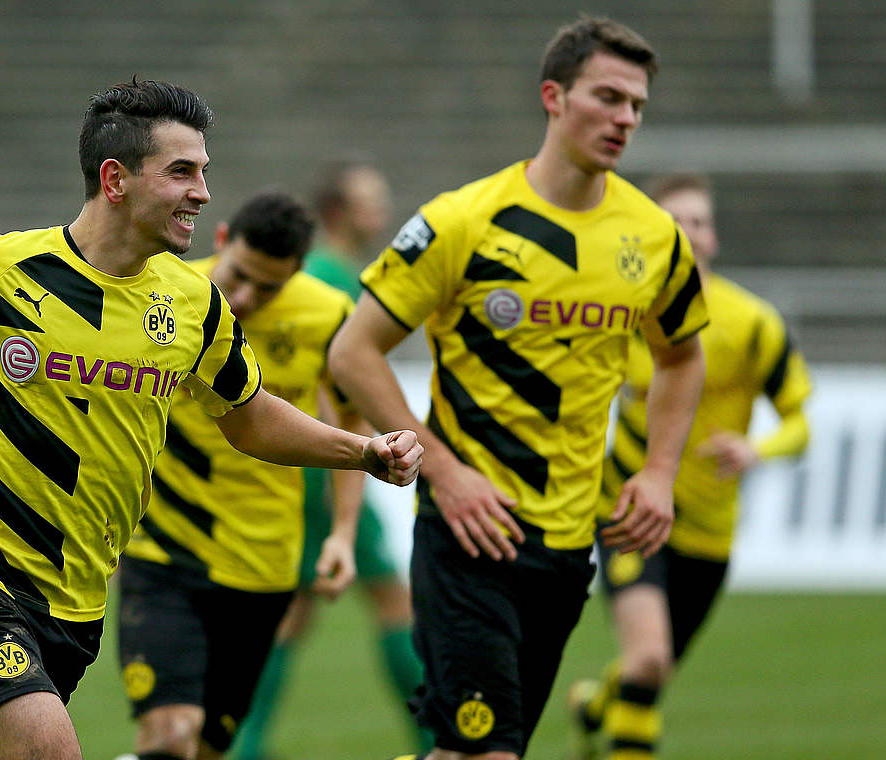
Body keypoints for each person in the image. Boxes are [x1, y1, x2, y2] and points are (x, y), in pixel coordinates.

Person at [0, 78, 423, 760]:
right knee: (47, 748)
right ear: (115, 179)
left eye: (205, 172)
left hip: (76, 602)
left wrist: (360, 452)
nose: (202, 193)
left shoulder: (194, 302)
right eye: (182, 172)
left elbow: (248, 417)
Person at [327, 16, 710, 760]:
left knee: (476, 750)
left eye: (637, 105)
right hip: (466, 534)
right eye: (608, 97)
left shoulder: (654, 237)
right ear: (554, 97)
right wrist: (444, 472)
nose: (625, 118)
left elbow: (681, 356)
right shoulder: (462, 221)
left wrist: (660, 470)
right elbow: (353, 352)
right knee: (486, 753)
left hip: (566, 542)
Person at [564, 173, 813, 760]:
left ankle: (593, 705)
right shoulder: (618, 314)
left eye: (699, 221)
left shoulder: (753, 323)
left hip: (709, 527)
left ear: (714, 237)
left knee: (651, 671)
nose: (689, 232)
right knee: (649, 659)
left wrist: (759, 450)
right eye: (675, 220)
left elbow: (801, 423)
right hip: (626, 507)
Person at [114, 189, 364, 760]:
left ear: (298, 274)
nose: (247, 299)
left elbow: (352, 420)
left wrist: (343, 533)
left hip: (265, 565)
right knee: (169, 735)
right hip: (164, 556)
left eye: (269, 287)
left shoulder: (327, 316)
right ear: (221, 240)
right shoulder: (162, 295)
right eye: (239, 276)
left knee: (205, 750)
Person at [232, 158, 435, 760]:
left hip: (297, 472)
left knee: (293, 613)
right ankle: (433, 741)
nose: (384, 208)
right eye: (372, 199)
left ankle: (245, 744)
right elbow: (335, 385)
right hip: (325, 471)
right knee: (390, 599)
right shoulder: (331, 280)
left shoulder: (323, 273)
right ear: (340, 211)